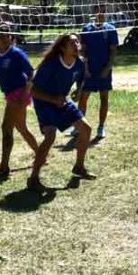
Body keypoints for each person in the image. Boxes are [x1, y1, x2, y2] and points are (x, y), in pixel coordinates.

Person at [28, 34, 93, 192]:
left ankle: (79, 167)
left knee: (86, 129)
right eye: (72, 43)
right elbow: (33, 91)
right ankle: (33, 178)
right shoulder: (51, 64)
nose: (77, 45)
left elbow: (81, 79)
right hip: (44, 103)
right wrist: (52, 99)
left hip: (62, 101)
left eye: (78, 41)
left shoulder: (79, 63)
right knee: (50, 136)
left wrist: (78, 91)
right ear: (63, 48)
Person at [0, 25, 40, 178]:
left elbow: (32, 73)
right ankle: (41, 155)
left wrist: (25, 93)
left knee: (6, 129)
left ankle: (4, 167)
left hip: (18, 94)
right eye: (2, 36)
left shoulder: (17, 54)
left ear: (11, 37)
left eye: (8, 35)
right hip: (10, 94)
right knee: (22, 128)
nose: (5, 38)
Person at [77, 5, 119, 141]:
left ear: (106, 12)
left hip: (104, 69)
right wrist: (86, 68)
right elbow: (83, 50)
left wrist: (108, 68)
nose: (100, 12)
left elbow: (113, 51)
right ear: (94, 12)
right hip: (90, 68)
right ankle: (79, 124)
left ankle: (101, 127)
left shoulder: (111, 29)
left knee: (104, 98)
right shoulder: (87, 28)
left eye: (103, 10)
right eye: (97, 10)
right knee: (83, 97)